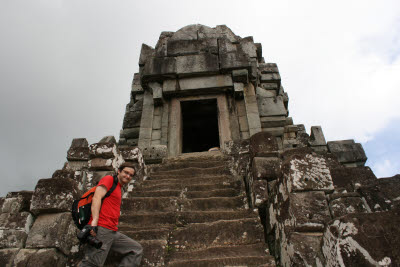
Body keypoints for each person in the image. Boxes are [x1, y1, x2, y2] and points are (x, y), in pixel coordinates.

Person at [80, 163, 143, 267]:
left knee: (136, 249)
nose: (128, 176)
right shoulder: (109, 179)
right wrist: (94, 223)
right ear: (119, 171)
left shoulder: (119, 188)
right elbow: (97, 197)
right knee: (92, 263)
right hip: (102, 228)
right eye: (126, 172)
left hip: (112, 231)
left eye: (131, 175)